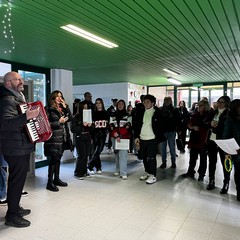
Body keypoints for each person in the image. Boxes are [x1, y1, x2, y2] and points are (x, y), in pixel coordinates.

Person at [0, 71, 40, 227]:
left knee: (18, 180)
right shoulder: (6, 100)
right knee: (16, 181)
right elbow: (5, 124)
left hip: (19, 145)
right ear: (8, 83)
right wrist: (26, 117)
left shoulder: (16, 97)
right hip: (14, 147)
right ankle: (12, 216)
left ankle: (15, 207)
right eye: (18, 79)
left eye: (21, 79)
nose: (21, 81)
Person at [44, 90, 73, 192]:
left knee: (58, 159)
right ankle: (49, 182)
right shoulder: (48, 109)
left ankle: (56, 179)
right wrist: (58, 122)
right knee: (53, 160)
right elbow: (45, 125)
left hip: (62, 138)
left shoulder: (62, 109)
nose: (59, 98)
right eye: (57, 96)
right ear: (53, 98)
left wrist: (66, 107)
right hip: (53, 139)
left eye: (61, 96)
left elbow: (71, 118)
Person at [134, 94, 165, 184]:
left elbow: (161, 127)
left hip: (152, 139)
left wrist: (158, 138)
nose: (145, 103)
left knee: (151, 158)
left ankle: (153, 175)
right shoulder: (141, 112)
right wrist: (136, 137)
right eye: (144, 102)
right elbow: (137, 125)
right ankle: (147, 172)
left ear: (153, 103)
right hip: (142, 138)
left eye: (148, 102)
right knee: (144, 157)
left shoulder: (157, 112)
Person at [206, 96, 231, 192]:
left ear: (227, 104)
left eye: (222, 102)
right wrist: (210, 124)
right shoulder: (213, 112)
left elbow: (228, 128)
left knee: (225, 163)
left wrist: (217, 126)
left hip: (223, 141)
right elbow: (205, 122)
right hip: (212, 140)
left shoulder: (229, 114)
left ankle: (226, 183)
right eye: (219, 102)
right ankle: (211, 181)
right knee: (212, 162)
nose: (220, 104)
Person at [181, 100, 211, 181]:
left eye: (201, 106)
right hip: (194, 138)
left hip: (203, 139)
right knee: (192, 157)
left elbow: (208, 126)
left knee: (203, 159)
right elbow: (189, 123)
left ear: (205, 106)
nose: (199, 107)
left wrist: (198, 128)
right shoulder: (196, 114)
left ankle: (201, 174)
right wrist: (191, 126)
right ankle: (190, 171)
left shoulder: (209, 115)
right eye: (198, 105)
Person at [222, 99, 240, 201]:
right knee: (238, 173)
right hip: (236, 151)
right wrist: (227, 152)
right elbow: (226, 136)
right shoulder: (230, 119)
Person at [109, 100, 132, 179]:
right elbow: (111, 126)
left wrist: (119, 134)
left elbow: (128, 126)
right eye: (119, 104)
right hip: (114, 137)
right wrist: (115, 134)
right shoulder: (112, 115)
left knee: (123, 155)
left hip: (124, 138)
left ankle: (123, 173)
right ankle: (117, 169)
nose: (120, 105)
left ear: (124, 105)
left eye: (122, 104)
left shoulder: (128, 115)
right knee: (116, 154)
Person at [71, 102, 93, 180]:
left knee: (86, 154)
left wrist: (90, 125)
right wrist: (82, 125)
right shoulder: (76, 117)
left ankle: (84, 171)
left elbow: (92, 129)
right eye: (84, 107)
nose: (85, 109)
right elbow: (73, 129)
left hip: (87, 136)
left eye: (86, 107)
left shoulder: (89, 116)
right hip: (79, 137)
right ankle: (77, 172)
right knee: (81, 155)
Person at [88, 98, 109, 174]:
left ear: (102, 104)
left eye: (99, 103)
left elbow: (108, 124)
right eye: (96, 103)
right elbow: (90, 125)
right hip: (95, 134)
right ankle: (98, 167)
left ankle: (90, 164)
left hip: (103, 134)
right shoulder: (93, 113)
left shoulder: (106, 113)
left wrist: (106, 131)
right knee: (94, 150)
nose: (98, 104)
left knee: (99, 150)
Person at [159, 96, 180, 168]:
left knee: (171, 148)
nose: (167, 102)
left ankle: (172, 162)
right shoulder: (161, 109)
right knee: (164, 148)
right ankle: (164, 162)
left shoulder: (174, 109)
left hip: (171, 131)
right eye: (166, 100)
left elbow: (177, 120)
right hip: (164, 131)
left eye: (168, 100)